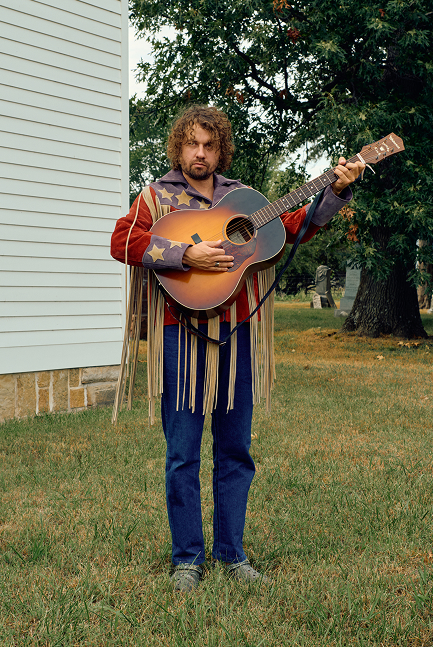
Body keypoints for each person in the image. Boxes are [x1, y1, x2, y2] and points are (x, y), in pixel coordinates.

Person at [111, 105, 364, 592]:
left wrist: (335, 190)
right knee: (182, 454)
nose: (200, 153)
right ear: (178, 148)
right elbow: (123, 241)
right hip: (179, 334)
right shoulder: (156, 196)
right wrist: (185, 253)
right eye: (191, 144)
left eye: (209, 145)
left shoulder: (244, 200)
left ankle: (231, 554)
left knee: (236, 450)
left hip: (237, 333)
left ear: (220, 149)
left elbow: (294, 228)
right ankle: (187, 559)